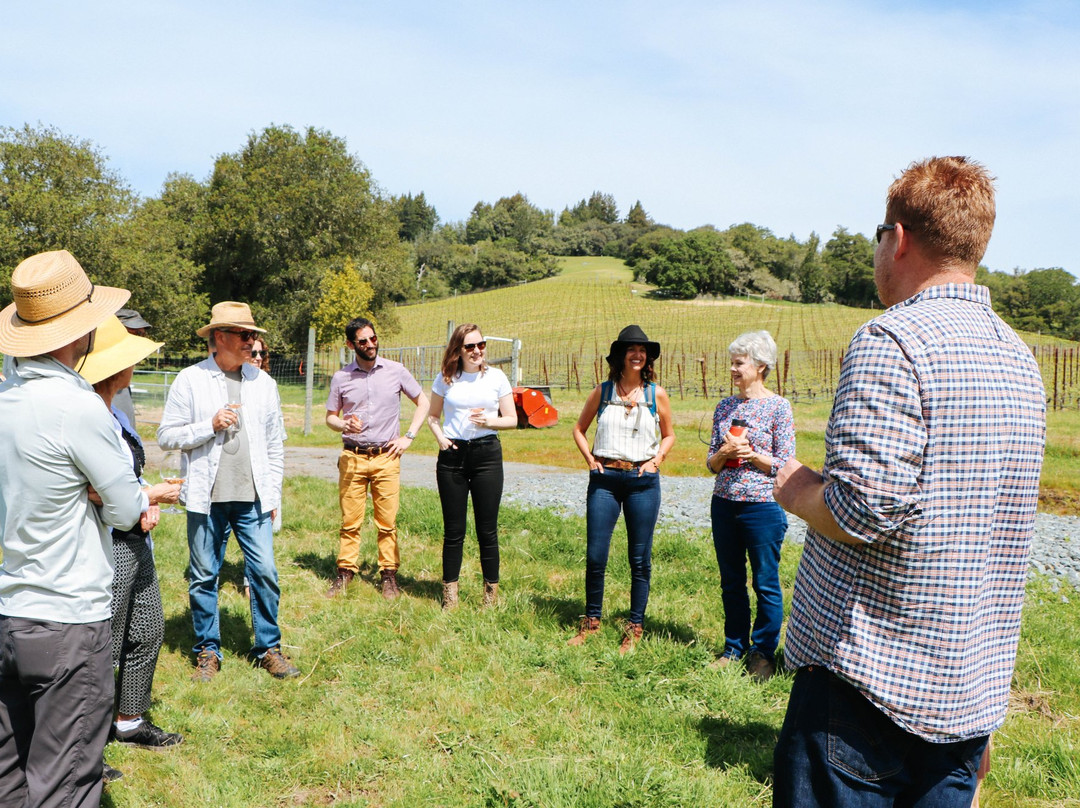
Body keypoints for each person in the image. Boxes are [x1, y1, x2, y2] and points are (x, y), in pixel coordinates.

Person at [772, 157, 1046, 808]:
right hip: (965, 702)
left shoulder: (892, 340)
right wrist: (982, 725)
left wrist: (791, 484)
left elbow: (859, 510)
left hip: (865, 695)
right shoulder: (1020, 360)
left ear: (897, 238)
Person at [0, 250, 149, 806]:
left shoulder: (5, 397)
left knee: (11, 777)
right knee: (64, 784)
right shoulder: (78, 406)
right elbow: (128, 508)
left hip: (12, 609)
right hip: (69, 619)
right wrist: (105, 494)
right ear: (82, 330)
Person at [157, 301, 298, 681]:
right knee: (204, 576)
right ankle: (207, 650)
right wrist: (210, 424)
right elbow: (166, 436)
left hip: (253, 499)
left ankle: (268, 647)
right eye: (245, 335)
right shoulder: (190, 380)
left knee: (265, 572)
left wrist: (274, 498)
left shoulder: (263, 383)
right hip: (207, 499)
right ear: (220, 337)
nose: (252, 342)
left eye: (254, 335)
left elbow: (274, 446)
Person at [80, 315, 184, 774]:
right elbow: (92, 489)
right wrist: (152, 496)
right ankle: (86, 743)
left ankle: (130, 720)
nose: (136, 364)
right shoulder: (87, 416)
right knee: (104, 643)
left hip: (135, 535)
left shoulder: (116, 411)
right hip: (107, 540)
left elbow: (125, 477)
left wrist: (146, 500)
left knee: (147, 630)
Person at [568, 325, 675, 654]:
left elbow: (670, 435)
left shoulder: (656, 394)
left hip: (643, 483)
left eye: (642, 350)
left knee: (639, 559)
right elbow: (578, 429)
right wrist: (589, 459)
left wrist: (656, 460)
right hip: (605, 480)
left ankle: (635, 626)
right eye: (631, 349)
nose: (637, 354)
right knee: (596, 556)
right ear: (619, 356)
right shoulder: (602, 392)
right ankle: (591, 623)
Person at [706, 330, 794, 682]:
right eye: (732, 362)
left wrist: (751, 455)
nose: (732, 368)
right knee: (731, 581)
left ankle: (762, 653)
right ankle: (733, 648)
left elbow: (785, 464)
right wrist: (724, 454)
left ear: (760, 366)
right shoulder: (725, 407)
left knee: (766, 582)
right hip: (723, 503)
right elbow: (710, 464)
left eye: (739, 363)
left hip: (761, 506)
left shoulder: (778, 407)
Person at [324, 317, 430, 599]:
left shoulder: (395, 371)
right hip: (353, 457)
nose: (370, 345)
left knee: (387, 523)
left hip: (386, 458)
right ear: (350, 345)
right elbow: (330, 418)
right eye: (363, 341)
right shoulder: (341, 378)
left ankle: (389, 577)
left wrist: (408, 436)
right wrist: (343, 424)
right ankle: (345, 573)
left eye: (373, 338)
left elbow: (424, 402)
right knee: (350, 522)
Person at [426, 323, 517, 609]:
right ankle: (450, 597)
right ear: (458, 350)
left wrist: (489, 421)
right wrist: (440, 438)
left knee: (487, 530)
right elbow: (432, 417)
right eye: (470, 346)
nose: (477, 351)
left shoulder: (496, 377)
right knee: (454, 531)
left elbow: (512, 419)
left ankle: (490, 597)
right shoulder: (446, 379)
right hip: (452, 456)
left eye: (481, 344)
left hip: (487, 455)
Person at [112, 307, 153, 428]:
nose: (139, 340)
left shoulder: (123, 377)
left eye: (142, 334)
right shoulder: (96, 378)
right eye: (134, 333)